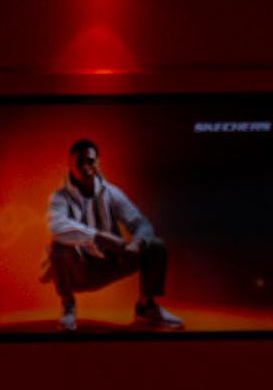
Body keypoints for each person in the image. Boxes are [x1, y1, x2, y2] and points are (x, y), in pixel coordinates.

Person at [44, 139, 183, 334]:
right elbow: (56, 226)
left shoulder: (111, 193)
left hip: (112, 261)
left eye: (90, 160)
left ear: (98, 162)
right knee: (58, 247)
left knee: (154, 246)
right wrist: (97, 237)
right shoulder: (60, 196)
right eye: (79, 161)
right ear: (70, 163)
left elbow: (141, 223)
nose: (85, 166)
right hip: (79, 268)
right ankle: (68, 306)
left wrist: (137, 242)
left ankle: (146, 307)